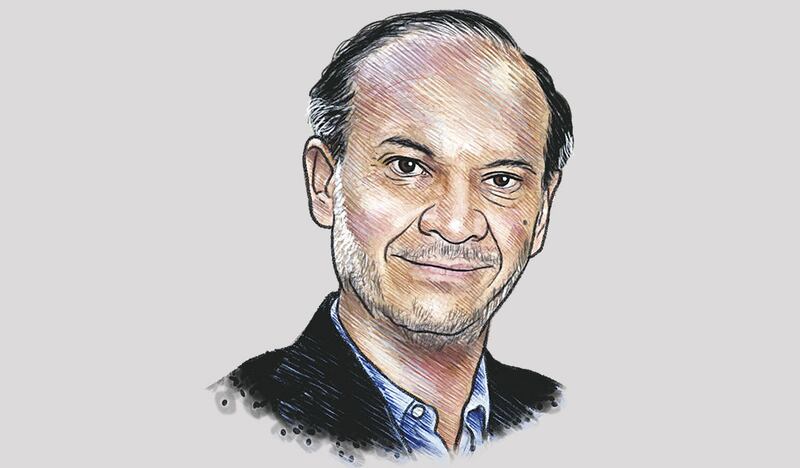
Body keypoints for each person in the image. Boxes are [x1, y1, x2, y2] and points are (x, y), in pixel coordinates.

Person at [209, 10, 573, 462]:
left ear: (542, 211)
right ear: (324, 183)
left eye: (501, 180)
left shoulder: (562, 418)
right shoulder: (234, 418)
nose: (456, 225)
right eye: (407, 167)